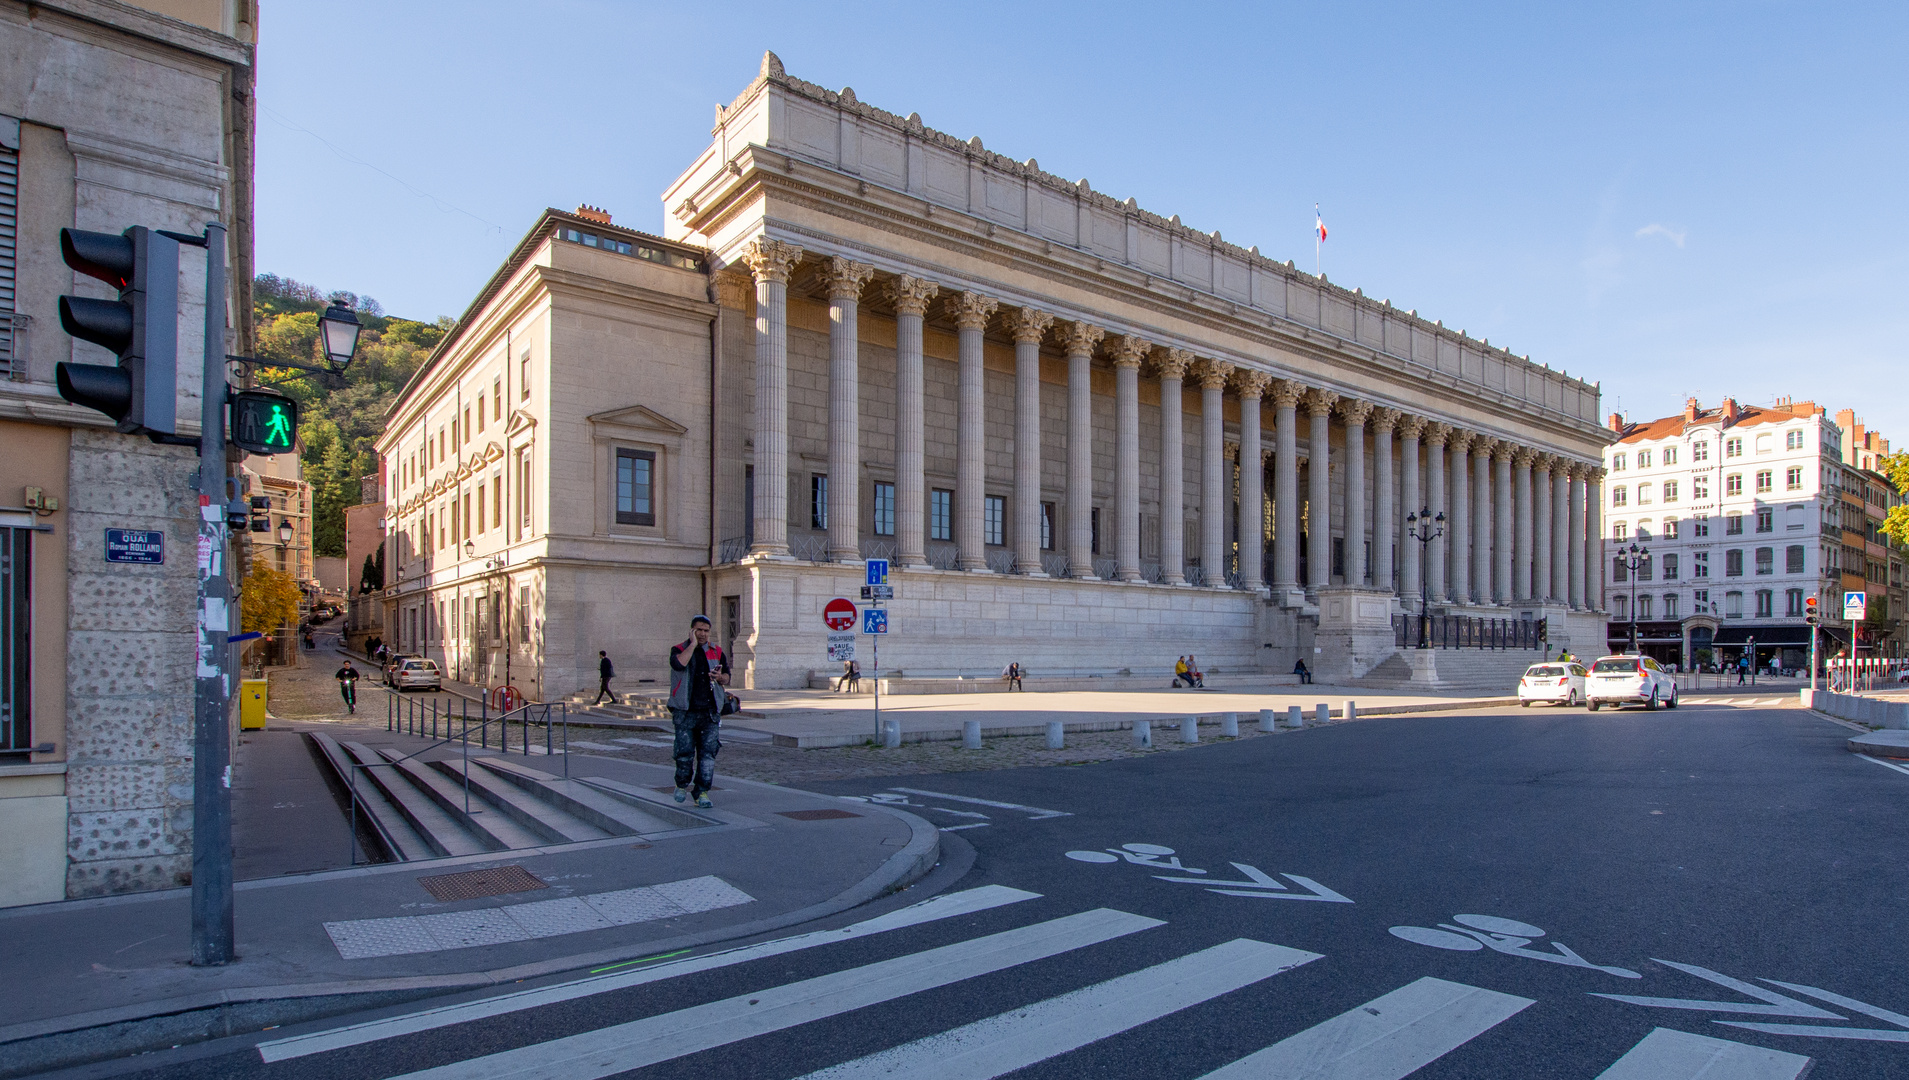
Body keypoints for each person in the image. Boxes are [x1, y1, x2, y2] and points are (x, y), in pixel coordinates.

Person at [668, 615, 730, 808]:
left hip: (710, 711)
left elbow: (727, 676)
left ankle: (701, 791)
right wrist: (693, 644)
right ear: (692, 631)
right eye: (698, 630)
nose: (702, 634)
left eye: (705, 630)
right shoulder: (679, 649)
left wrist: (720, 677)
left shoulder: (716, 651)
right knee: (684, 753)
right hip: (685, 711)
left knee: (708, 755)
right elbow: (679, 664)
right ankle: (681, 784)